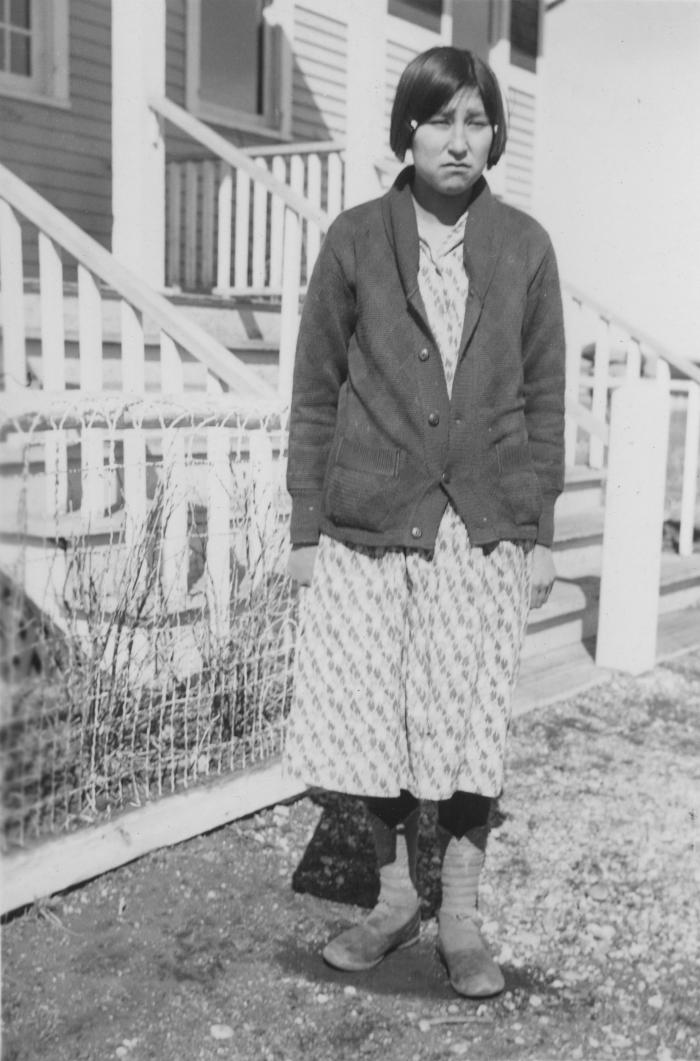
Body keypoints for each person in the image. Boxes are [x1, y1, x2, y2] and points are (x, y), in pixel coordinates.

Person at [283, 46, 565, 999]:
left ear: (495, 136)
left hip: (479, 527)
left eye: (478, 120)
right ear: (406, 129)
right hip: (371, 522)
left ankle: (463, 916)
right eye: (441, 118)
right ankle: (396, 896)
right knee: (378, 721)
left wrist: (540, 527)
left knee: (468, 724)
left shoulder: (524, 244)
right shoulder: (357, 236)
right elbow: (316, 388)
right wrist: (304, 524)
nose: (459, 138)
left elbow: (546, 398)